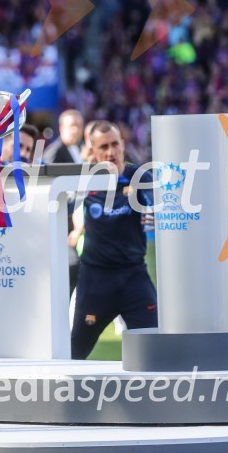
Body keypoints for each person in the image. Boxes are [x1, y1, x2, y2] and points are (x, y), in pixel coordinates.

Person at [70, 121, 157, 360]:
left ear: (123, 145)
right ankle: (64, 397)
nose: (111, 152)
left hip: (134, 277)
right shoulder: (82, 181)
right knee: (74, 352)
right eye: (104, 146)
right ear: (93, 151)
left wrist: (155, 213)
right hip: (96, 281)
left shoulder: (139, 177)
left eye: (115, 144)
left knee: (157, 349)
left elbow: (158, 204)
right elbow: (58, 205)